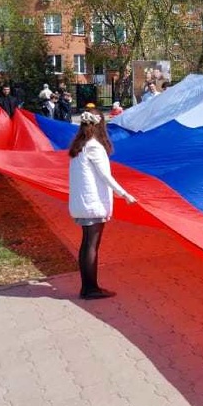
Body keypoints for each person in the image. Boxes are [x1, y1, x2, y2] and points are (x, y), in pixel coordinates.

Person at [68, 109, 136, 299]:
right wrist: (124, 194)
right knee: (91, 244)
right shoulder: (94, 147)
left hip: (83, 202)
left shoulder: (79, 146)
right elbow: (106, 176)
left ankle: (87, 287)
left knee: (87, 244)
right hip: (92, 203)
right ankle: (90, 288)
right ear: (100, 125)